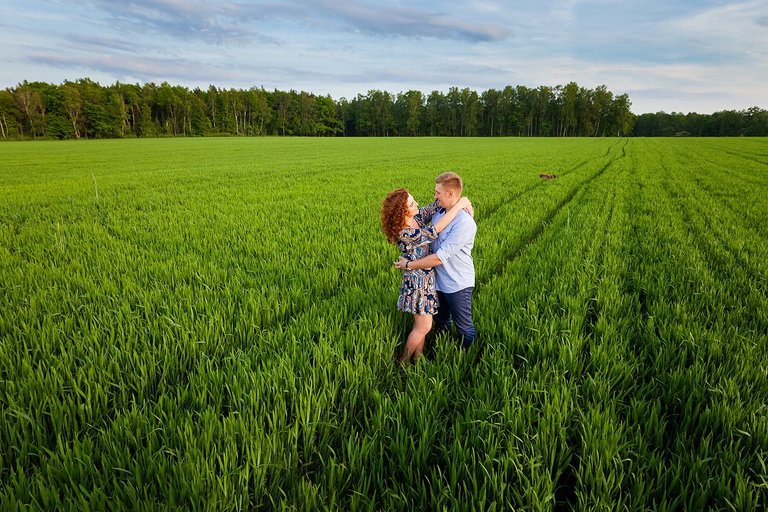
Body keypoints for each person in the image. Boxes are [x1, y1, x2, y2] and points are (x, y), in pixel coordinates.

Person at [381, 188, 472, 363]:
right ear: (403, 210)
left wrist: (463, 201)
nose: (417, 204)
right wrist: (460, 204)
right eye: (412, 203)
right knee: (424, 327)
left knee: (420, 326)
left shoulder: (415, 219)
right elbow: (435, 229)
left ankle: (418, 361)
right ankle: (404, 362)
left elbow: (433, 207)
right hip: (417, 284)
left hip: (426, 280)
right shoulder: (406, 233)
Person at [395, 172, 477, 348]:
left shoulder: (464, 222)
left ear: (450, 194)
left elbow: (439, 257)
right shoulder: (438, 215)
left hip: (457, 283)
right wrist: (462, 202)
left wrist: (408, 264)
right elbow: (433, 230)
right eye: (436, 192)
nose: (434, 196)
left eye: (438, 192)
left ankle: (470, 360)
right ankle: (438, 352)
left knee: (464, 328)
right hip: (433, 283)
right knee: (440, 323)